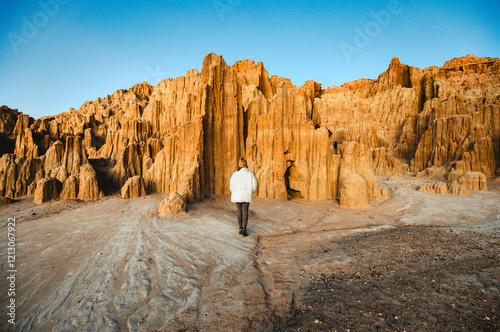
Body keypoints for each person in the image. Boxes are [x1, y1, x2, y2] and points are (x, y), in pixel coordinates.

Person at [229, 157, 258, 236]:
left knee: (239, 211)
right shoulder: (250, 174)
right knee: (245, 211)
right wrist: (251, 192)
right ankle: (244, 228)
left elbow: (231, 186)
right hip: (246, 195)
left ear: (239, 166)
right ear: (246, 166)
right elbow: (254, 185)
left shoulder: (234, 174)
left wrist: (234, 191)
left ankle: (240, 228)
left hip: (237, 195)